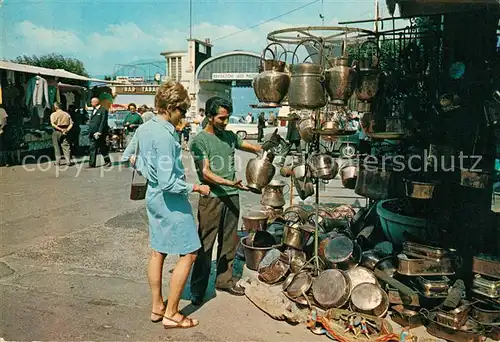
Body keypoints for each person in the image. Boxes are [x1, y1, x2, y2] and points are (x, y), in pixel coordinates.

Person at [122, 81, 210, 329]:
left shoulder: (145, 128)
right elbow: (169, 183)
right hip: (170, 200)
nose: (183, 116)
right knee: (191, 251)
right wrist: (196, 187)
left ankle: (157, 306)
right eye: (182, 111)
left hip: (153, 198)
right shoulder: (165, 136)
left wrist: (144, 169)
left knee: (158, 250)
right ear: (171, 107)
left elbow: (128, 156)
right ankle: (172, 313)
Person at [189, 96, 274, 303]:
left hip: (232, 197)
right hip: (212, 197)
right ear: (209, 117)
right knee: (205, 245)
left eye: (227, 118)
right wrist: (229, 184)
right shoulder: (200, 141)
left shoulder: (228, 136)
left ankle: (224, 280)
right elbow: (206, 173)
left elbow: (245, 145)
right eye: (221, 118)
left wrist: (263, 149)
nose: (225, 122)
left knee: (229, 243)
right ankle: (198, 289)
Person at [87, 95, 111, 168]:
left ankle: (107, 161)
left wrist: (99, 131)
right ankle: (92, 163)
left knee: (102, 147)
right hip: (92, 132)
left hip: (99, 133)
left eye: (92, 102)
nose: (91, 103)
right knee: (92, 147)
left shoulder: (103, 110)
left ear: (96, 102)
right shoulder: (93, 110)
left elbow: (103, 122)